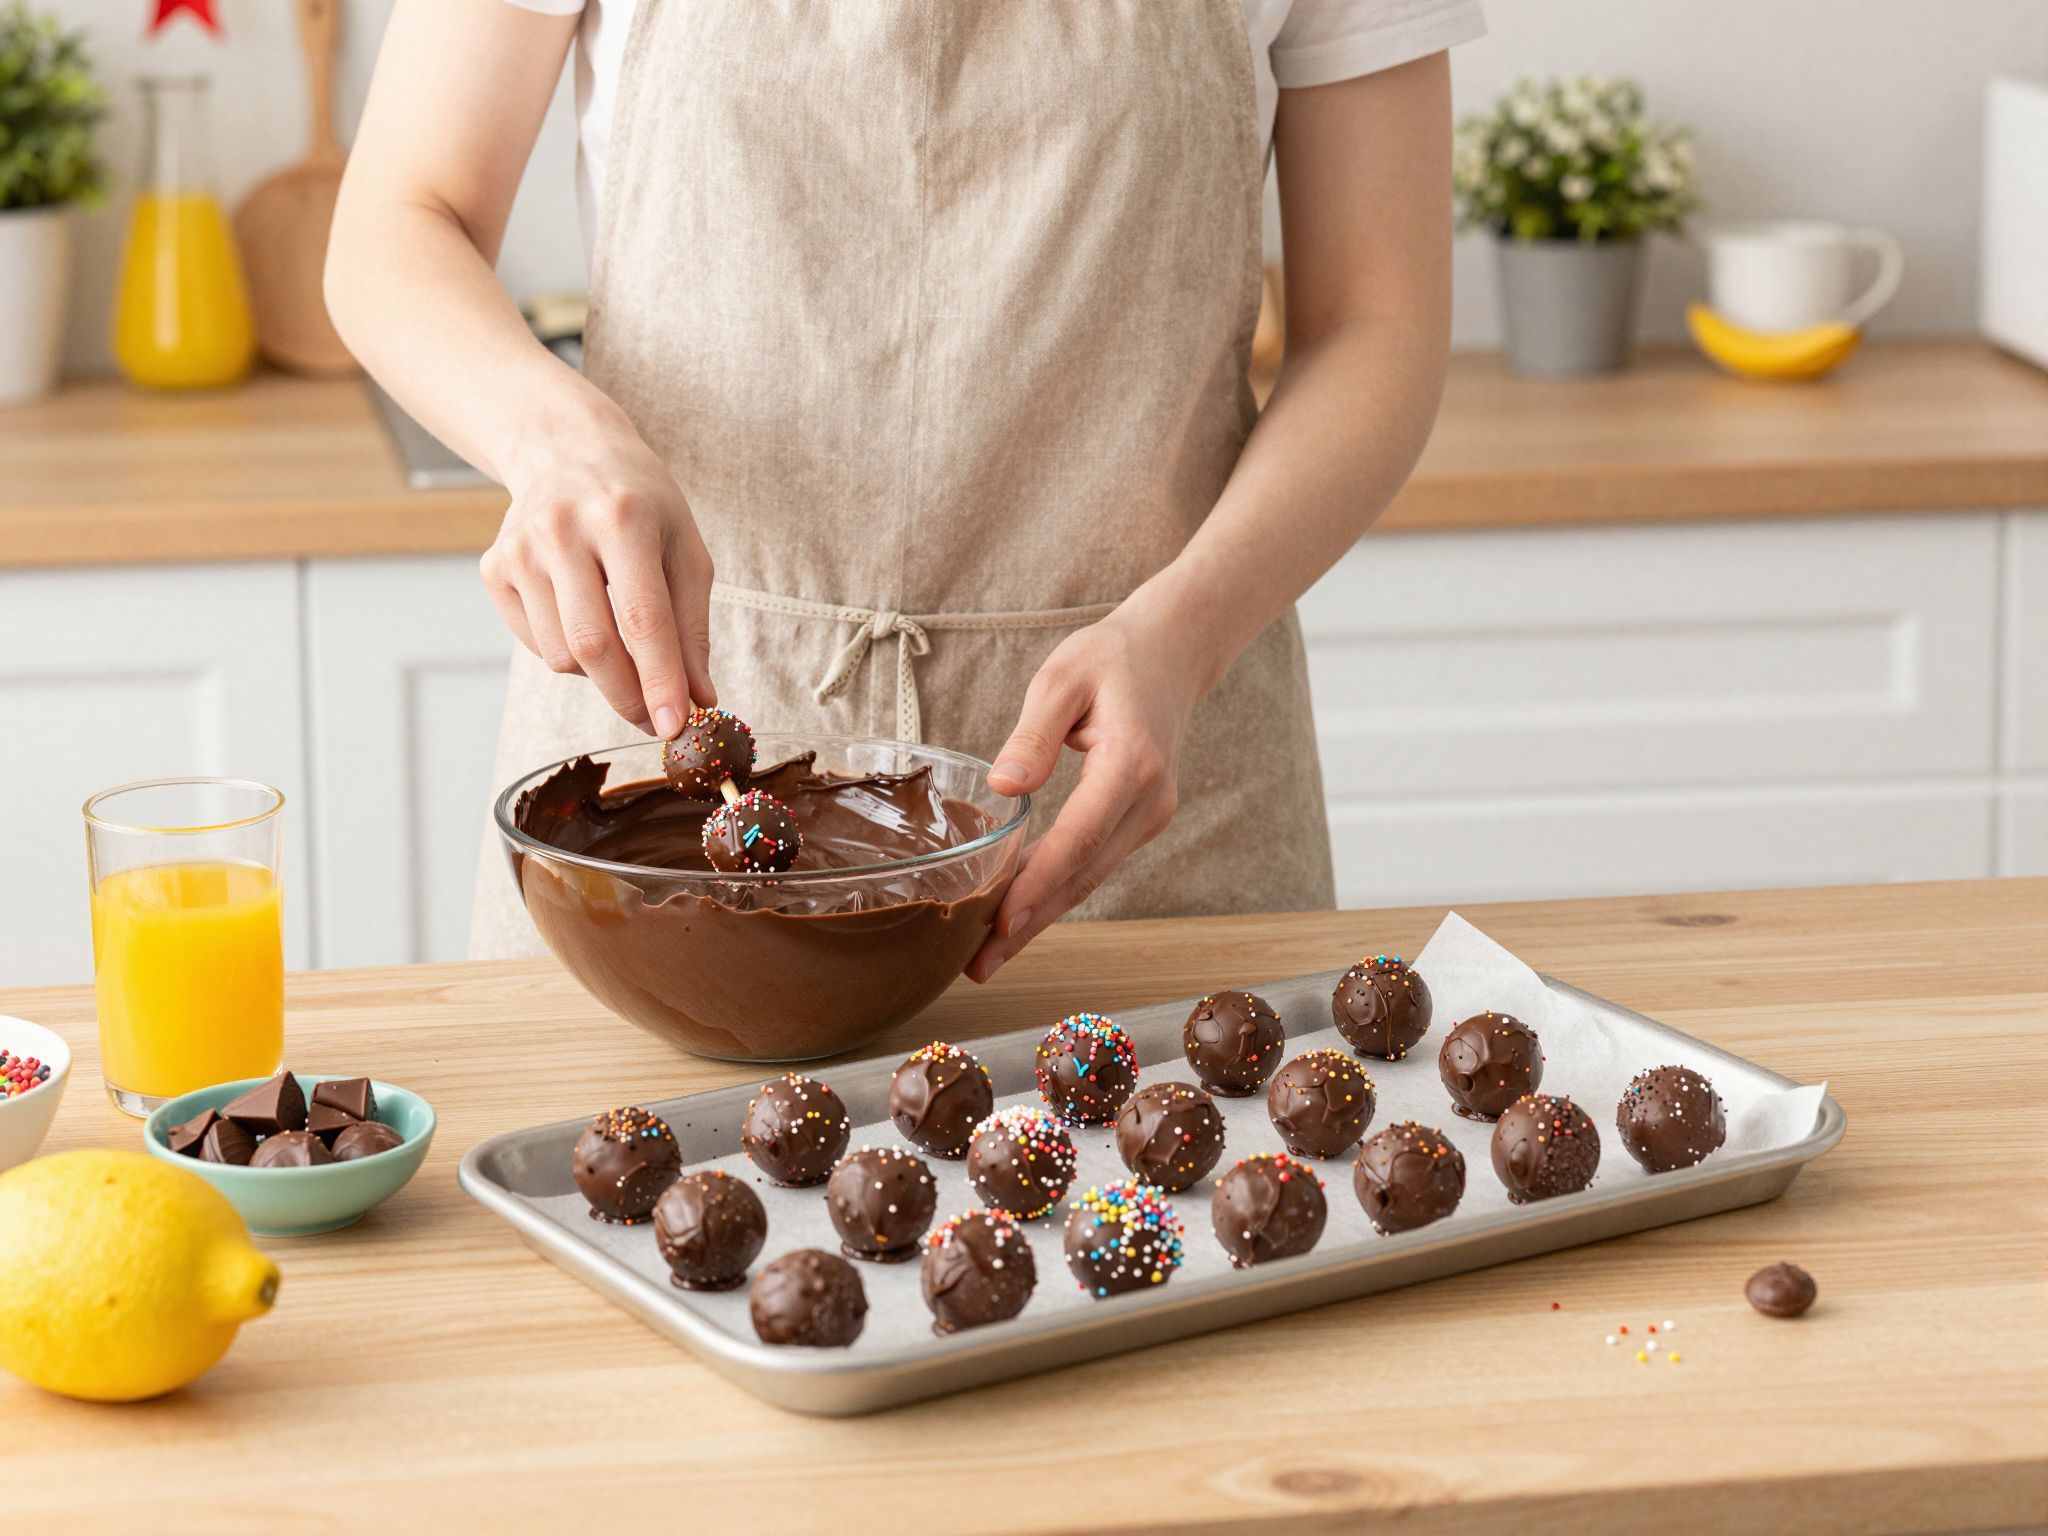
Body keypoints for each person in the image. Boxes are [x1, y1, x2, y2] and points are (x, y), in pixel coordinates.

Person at [327, 0, 1482, 978]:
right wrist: (558, 443)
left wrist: (1187, 634)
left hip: (1137, 782)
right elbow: (399, 222)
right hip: (671, 765)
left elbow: (1372, 320)